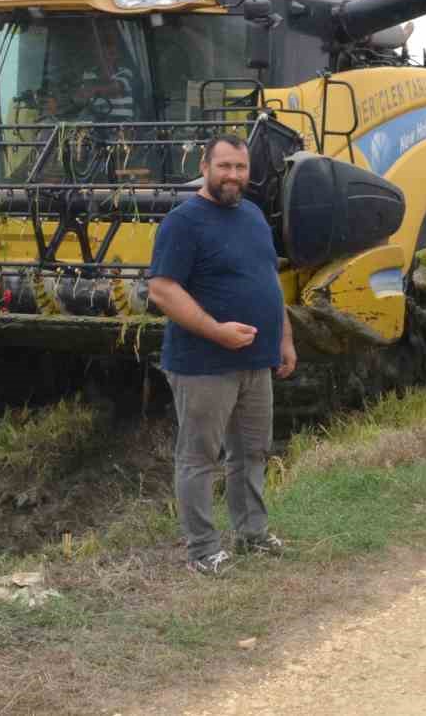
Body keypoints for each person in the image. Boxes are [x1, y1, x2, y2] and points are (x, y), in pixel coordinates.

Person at [147, 134, 297, 576]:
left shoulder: (252, 215)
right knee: (199, 458)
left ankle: (252, 534)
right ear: (205, 166)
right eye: (225, 166)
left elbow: (269, 281)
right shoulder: (183, 222)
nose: (234, 176)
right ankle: (203, 551)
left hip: (256, 360)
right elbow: (162, 289)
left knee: (252, 452)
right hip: (203, 364)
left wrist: (284, 337)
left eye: (241, 168)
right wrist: (216, 331)